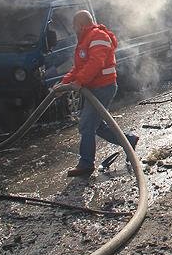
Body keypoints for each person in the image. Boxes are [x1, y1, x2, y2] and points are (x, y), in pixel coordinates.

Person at [53, 10, 138, 177]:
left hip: (102, 88)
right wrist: (62, 84)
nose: (73, 29)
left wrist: (79, 81)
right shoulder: (85, 39)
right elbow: (78, 68)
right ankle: (129, 140)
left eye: (75, 26)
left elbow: (95, 63)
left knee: (86, 125)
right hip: (94, 88)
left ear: (81, 24)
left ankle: (86, 164)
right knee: (97, 126)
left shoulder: (97, 36)